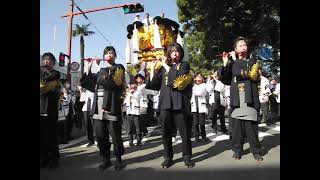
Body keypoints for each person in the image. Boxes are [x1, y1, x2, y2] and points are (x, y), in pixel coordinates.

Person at [147, 42, 194, 168]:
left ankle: (187, 156)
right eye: (172, 51)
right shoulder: (164, 67)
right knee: (166, 133)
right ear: (169, 53)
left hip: (180, 103)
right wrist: (153, 69)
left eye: (177, 51)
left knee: (184, 133)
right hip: (165, 104)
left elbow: (178, 79)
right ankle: (168, 157)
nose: (175, 53)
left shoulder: (184, 65)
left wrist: (166, 67)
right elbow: (154, 85)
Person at [220, 36, 263, 161]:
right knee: (237, 128)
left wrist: (234, 59)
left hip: (250, 96)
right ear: (235, 48)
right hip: (236, 97)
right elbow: (226, 79)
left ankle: (256, 150)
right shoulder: (232, 63)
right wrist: (225, 63)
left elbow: (241, 72)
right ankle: (237, 150)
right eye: (240, 45)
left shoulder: (252, 61)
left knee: (251, 127)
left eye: (244, 45)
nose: (243, 47)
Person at [85, 46, 125, 171]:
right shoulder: (101, 70)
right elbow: (91, 82)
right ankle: (105, 159)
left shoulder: (119, 68)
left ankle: (118, 159)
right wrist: (89, 67)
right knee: (101, 135)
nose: (109, 55)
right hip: (98, 106)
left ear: (115, 56)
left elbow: (111, 82)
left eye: (112, 53)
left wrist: (100, 74)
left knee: (115, 135)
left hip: (112, 105)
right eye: (107, 53)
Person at [40, 52, 61, 168]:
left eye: (48, 60)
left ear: (53, 62)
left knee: (51, 135)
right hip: (41, 108)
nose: (46, 61)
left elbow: (48, 79)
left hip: (51, 109)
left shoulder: (56, 73)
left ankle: (54, 158)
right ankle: (44, 158)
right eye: (44, 60)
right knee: (42, 136)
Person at [191, 74, 209, 142]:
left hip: (201, 105)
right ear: (195, 79)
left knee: (202, 123)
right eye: (197, 78)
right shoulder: (193, 85)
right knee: (195, 123)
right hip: (194, 105)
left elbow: (201, 93)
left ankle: (203, 136)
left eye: (200, 78)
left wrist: (194, 90)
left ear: (202, 79)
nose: (198, 80)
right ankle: (196, 136)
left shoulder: (204, 85)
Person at [79, 80, 95, 147]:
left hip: (93, 109)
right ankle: (90, 140)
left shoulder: (93, 90)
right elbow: (82, 100)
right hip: (86, 109)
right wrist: (81, 91)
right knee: (87, 125)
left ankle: (97, 139)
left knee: (94, 125)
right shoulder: (84, 91)